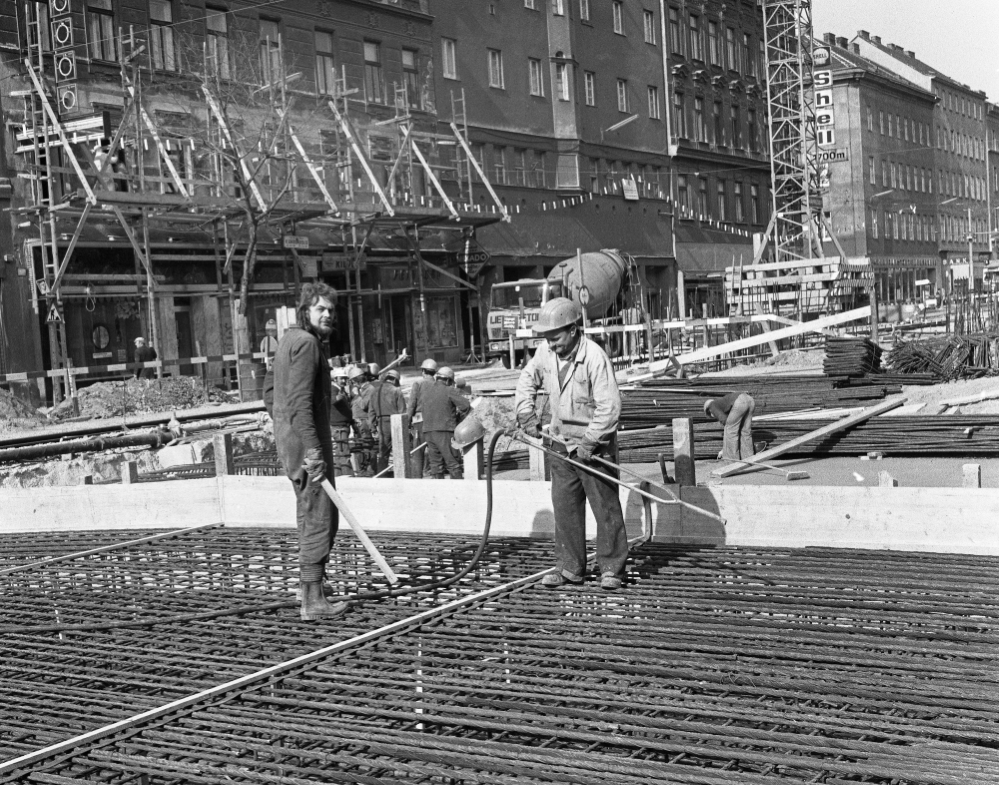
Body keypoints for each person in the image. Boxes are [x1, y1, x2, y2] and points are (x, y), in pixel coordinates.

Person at [515, 297, 628, 591]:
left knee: (605, 508)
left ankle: (611, 568)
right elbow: (527, 380)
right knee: (564, 507)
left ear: (574, 329)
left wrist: (590, 442)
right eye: (547, 339)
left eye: (556, 338)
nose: (551, 344)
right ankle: (569, 568)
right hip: (560, 444)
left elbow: (610, 407)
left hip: (594, 446)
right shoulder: (545, 352)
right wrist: (525, 411)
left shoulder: (594, 357)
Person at [271, 281, 348, 620]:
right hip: (306, 444)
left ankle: (313, 586)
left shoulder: (288, 339)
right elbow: (300, 403)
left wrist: (281, 426)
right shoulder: (306, 344)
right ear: (305, 311)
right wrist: (313, 450)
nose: (328, 314)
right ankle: (313, 602)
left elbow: (270, 390)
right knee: (320, 516)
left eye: (331, 309)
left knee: (310, 512)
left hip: (293, 441)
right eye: (320, 309)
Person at [421, 366, 470, 479]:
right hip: (444, 430)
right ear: (448, 380)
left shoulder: (426, 391)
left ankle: (440, 492)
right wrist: (459, 419)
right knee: (452, 462)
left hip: (428, 431)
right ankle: (458, 490)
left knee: (436, 465)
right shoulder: (449, 390)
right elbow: (466, 406)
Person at [367, 367, 406, 475]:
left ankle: (381, 475)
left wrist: (372, 427)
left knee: (383, 452)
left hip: (382, 424)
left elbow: (371, 412)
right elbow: (402, 411)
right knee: (399, 450)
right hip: (396, 422)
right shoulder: (396, 390)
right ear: (394, 380)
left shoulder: (375, 391)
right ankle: (401, 475)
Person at [406, 358, 439, 476]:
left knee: (417, 451)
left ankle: (417, 476)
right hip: (434, 420)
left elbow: (411, 405)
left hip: (419, 420)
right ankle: (432, 473)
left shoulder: (418, 384)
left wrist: (407, 421)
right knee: (432, 448)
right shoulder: (438, 384)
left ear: (423, 371)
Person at [703, 393, 756, 461]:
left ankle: (732, 461)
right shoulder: (723, 404)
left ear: (708, 410)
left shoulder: (712, 405)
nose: (712, 416)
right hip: (750, 400)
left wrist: (724, 450)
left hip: (740, 401)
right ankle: (749, 459)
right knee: (745, 431)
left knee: (730, 431)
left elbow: (724, 420)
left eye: (711, 414)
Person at [350, 364, 376, 477]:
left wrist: (357, 394)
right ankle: (361, 470)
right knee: (359, 446)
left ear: (357, 380)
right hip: (358, 422)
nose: (353, 384)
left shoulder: (369, 389)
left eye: (353, 382)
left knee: (366, 446)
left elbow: (364, 405)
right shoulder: (361, 389)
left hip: (364, 421)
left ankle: (369, 470)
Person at [329, 365, 354, 477]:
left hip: (341, 425)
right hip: (339, 426)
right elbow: (335, 400)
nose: (344, 381)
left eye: (345, 378)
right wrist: (343, 397)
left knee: (339, 452)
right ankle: (348, 476)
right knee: (344, 452)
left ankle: (338, 475)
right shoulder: (333, 390)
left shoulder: (339, 390)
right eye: (341, 379)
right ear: (335, 379)